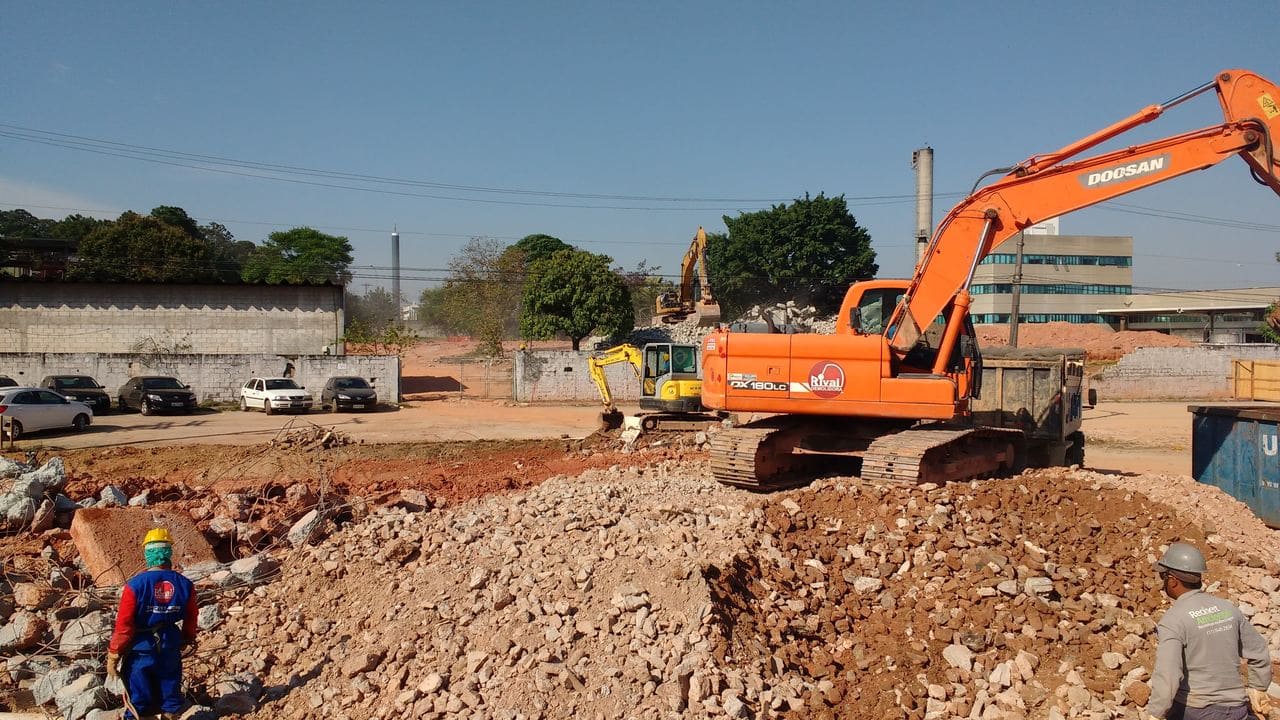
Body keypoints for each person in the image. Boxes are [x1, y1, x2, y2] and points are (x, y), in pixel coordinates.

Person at [1146, 542, 1272, 720]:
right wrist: (1258, 688)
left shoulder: (1173, 620)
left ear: (1172, 580)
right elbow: (1259, 651)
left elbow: (1168, 675)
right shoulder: (1227, 609)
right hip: (1237, 709)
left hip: (1196, 711)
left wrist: (1156, 713)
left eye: (1163, 576)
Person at [106, 528, 199, 720]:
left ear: (147, 553)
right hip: (170, 644)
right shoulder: (184, 584)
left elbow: (124, 624)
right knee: (170, 695)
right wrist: (187, 638)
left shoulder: (135, 585)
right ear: (168, 553)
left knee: (138, 699)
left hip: (141, 648)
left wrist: (114, 653)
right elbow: (191, 616)